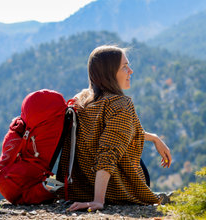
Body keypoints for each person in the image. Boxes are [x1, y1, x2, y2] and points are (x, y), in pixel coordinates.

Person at [56, 45, 172, 211]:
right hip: (116, 190)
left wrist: (153, 137)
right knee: (132, 160)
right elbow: (108, 153)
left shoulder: (81, 100)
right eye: (124, 67)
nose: (130, 71)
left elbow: (105, 133)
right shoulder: (120, 104)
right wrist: (98, 201)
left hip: (80, 189)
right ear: (109, 73)